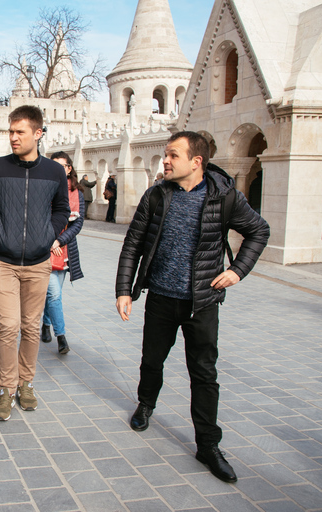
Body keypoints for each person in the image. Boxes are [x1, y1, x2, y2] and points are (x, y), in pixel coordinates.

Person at [115, 131, 269, 483]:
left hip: (203, 302)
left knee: (204, 373)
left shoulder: (224, 196)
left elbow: (259, 231)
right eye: (165, 155)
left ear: (196, 161)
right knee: (152, 360)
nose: (165, 161)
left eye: (172, 155)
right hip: (161, 298)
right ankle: (146, 404)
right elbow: (133, 244)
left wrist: (236, 271)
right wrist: (125, 289)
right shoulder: (156, 195)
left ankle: (208, 445)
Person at [0, 105, 69, 421]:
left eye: (19, 132)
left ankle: (26, 384)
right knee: (10, 325)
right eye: (10, 131)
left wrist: (47, 235)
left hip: (39, 263)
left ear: (38, 133)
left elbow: (61, 210)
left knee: (30, 326)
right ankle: (6, 389)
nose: (13, 137)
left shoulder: (54, 172)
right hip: (3, 260)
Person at [41, 152, 85, 355]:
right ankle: (62, 337)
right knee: (55, 295)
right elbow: (37, 220)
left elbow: (78, 224)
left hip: (66, 250)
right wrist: (51, 241)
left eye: (62, 166)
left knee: (54, 294)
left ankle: (45, 323)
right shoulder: (43, 190)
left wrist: (60, 240)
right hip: (45, 248)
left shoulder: (77, 193)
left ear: (69, 169)